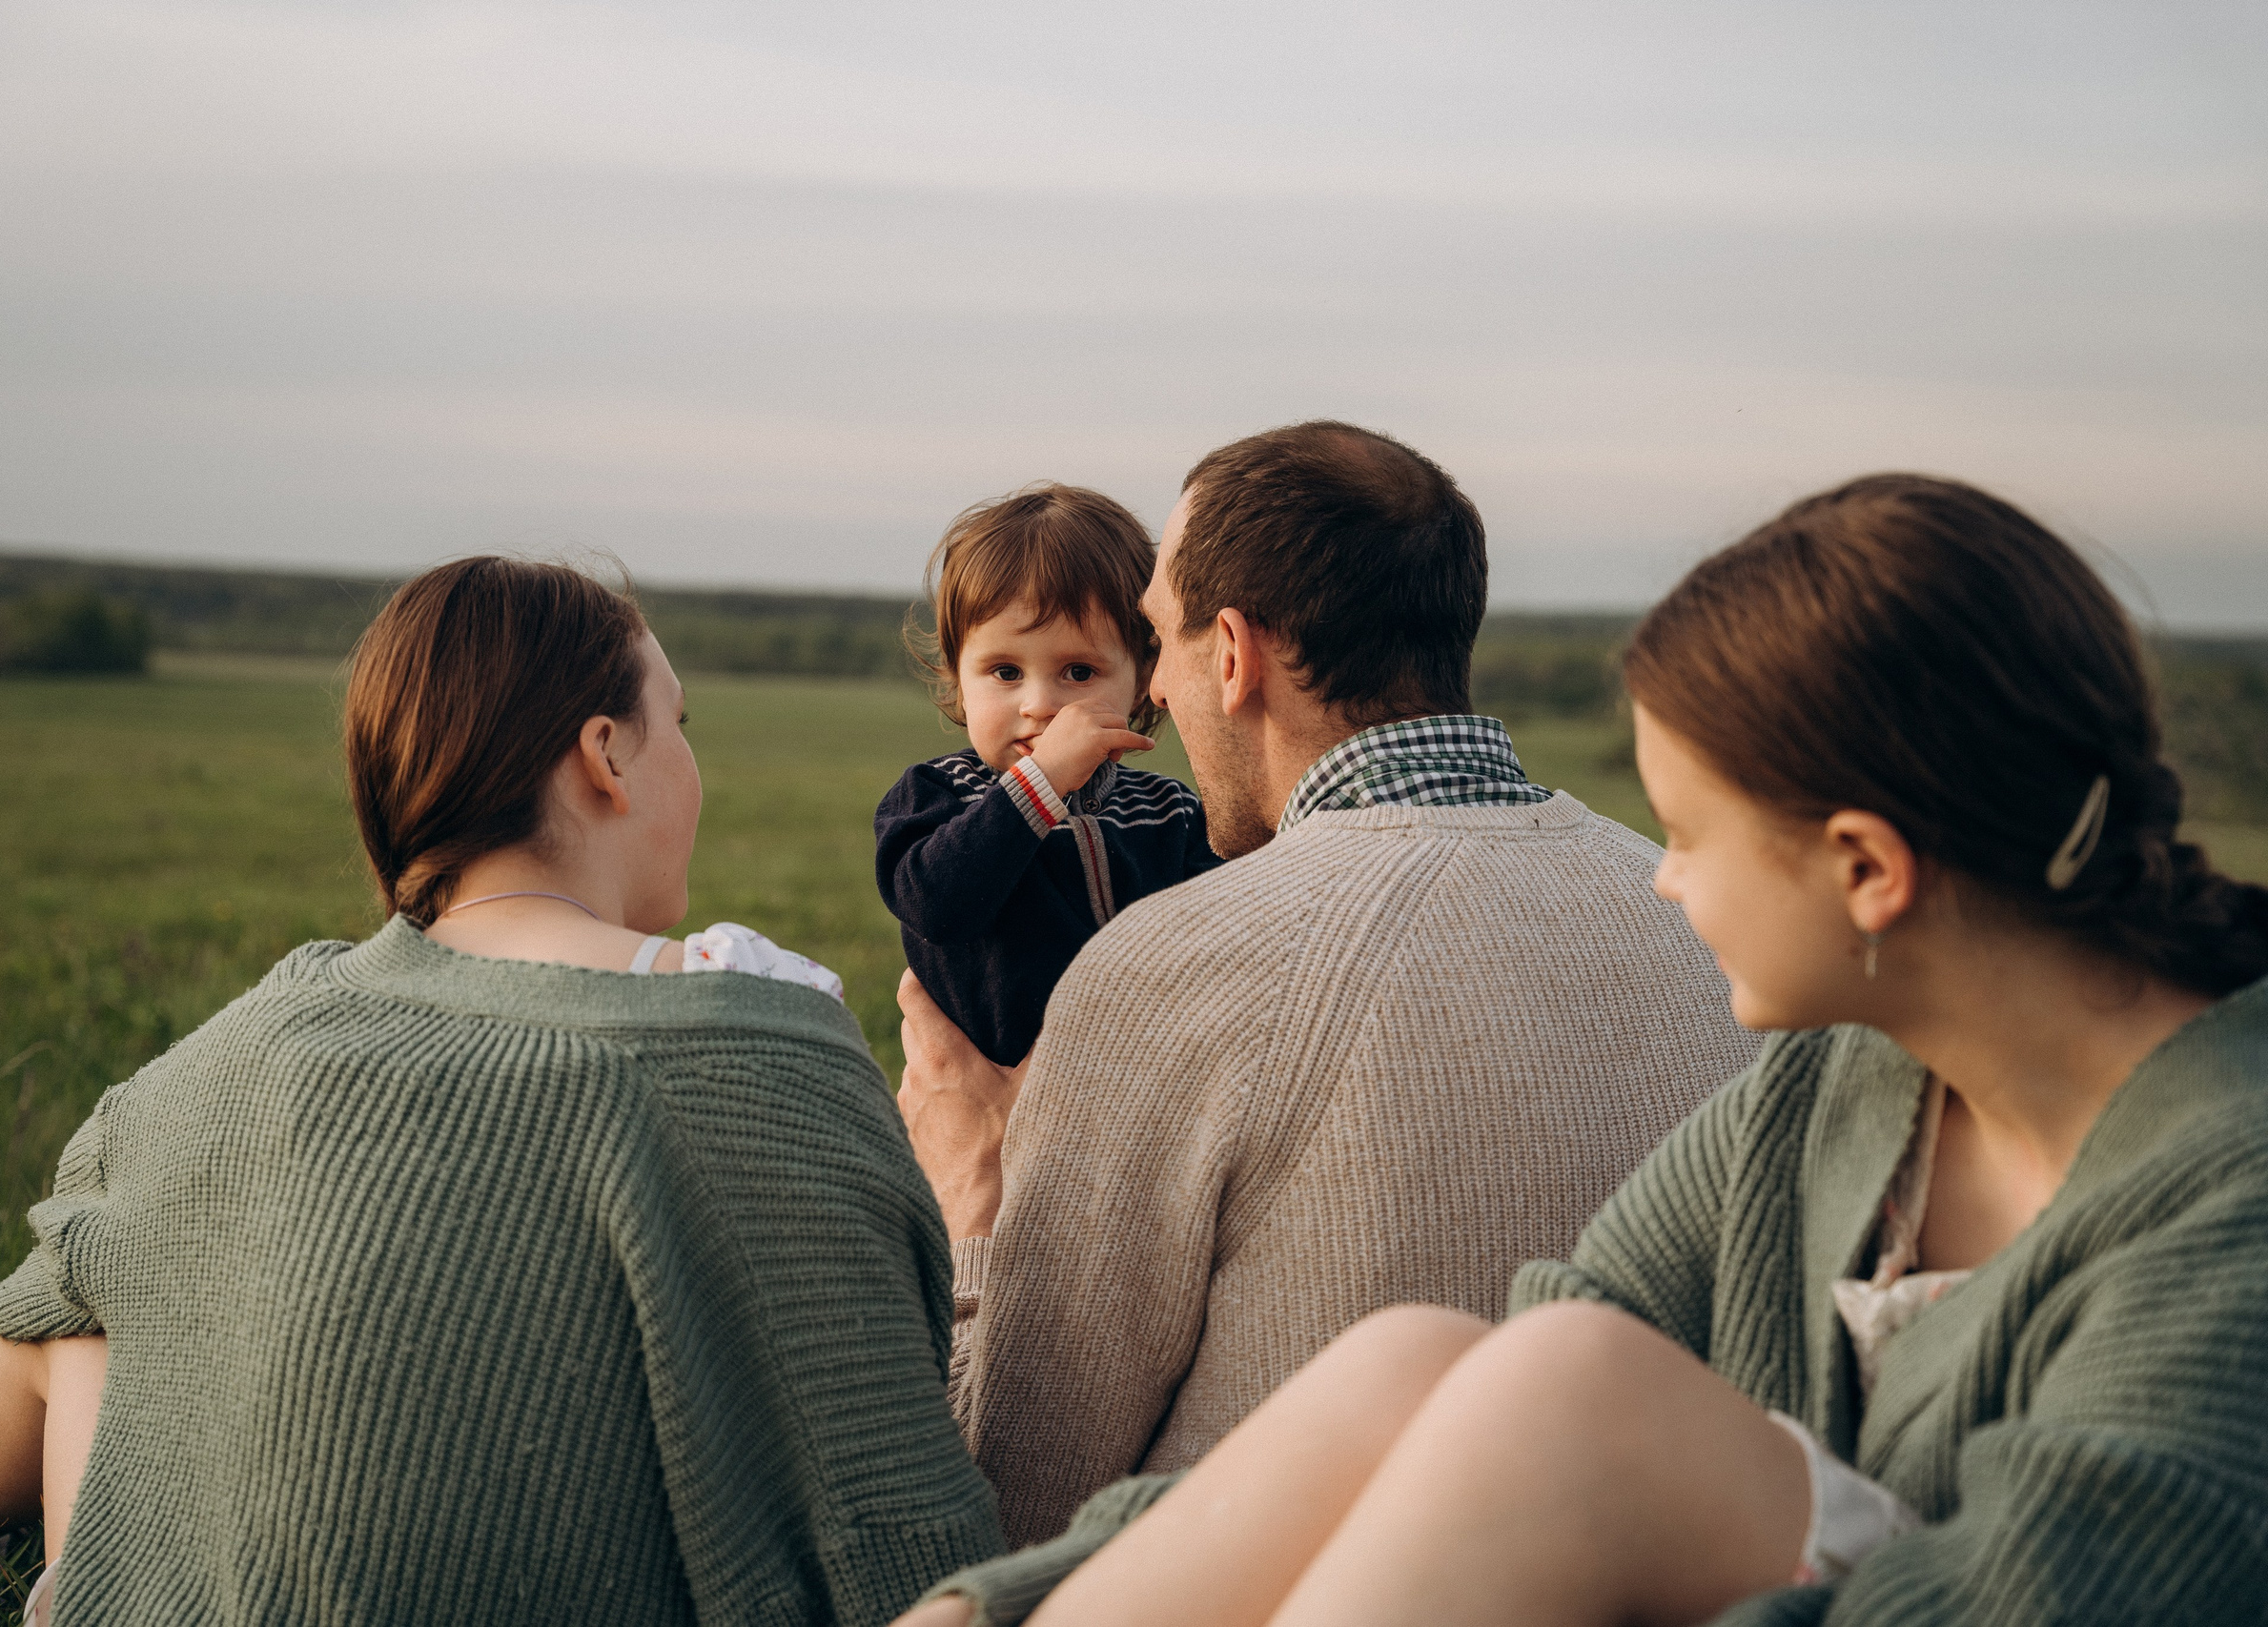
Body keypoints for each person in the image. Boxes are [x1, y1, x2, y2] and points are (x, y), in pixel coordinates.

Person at [902, 473, 2268, 1626]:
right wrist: (1000, 1600)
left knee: (1573, 1385)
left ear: (1864, 867)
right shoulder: (1837, 1083)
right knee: (1428, 1352)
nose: (1659, 880)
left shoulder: (2230, 1199)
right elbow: (1536, 1339)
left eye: (1685, 831)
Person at [0, 558, 1005, 1626]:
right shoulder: (768, 1048)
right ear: (603, 756)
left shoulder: (257, 1037)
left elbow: (70, 1267)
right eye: (677, 724)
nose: (690, 759)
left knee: (78, 1311)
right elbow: (887, 1509)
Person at [896, 422, 1759, 1545]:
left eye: (1158, 639)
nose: (1152, 684)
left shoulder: (1171, 966)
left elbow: (1013, 1498)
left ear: (1235, 655)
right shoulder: (1699, 917)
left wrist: (974, 1202)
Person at [877, 484, 1222, 1067]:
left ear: (1142, 680)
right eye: (1005, 671)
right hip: (989, 1103)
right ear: (958, 677)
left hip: (1139, 1094)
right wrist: (1039, 784)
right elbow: (937, 906)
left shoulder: (1170, 811)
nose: (1040, 704)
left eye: (1079, 671)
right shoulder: (938, 797)